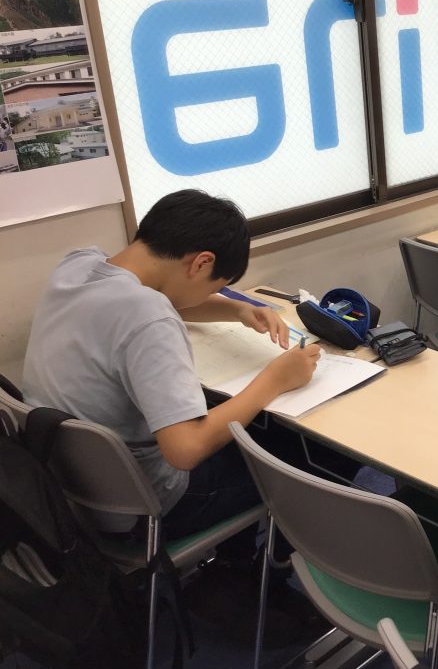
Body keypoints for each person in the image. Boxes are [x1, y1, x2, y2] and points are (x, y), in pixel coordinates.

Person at [22, 189, 321, 539]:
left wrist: (237, 308)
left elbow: (155, 296)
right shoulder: (150, 318)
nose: (211, 294)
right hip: (146, 505)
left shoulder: (78, 265)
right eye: (216, 286)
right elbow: (186, 450)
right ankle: (256, 561)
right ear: (201, 263)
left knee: (238, 420)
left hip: (67, 488)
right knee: (302, 456)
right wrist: (275, 379)